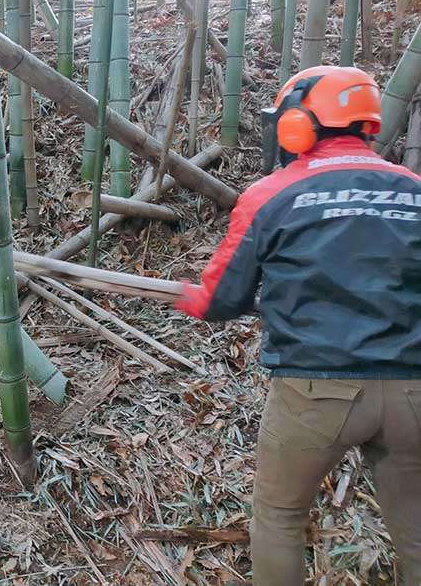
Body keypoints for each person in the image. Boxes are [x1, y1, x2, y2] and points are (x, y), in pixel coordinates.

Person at [175, 65, 421, 585]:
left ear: (299, 123)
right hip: (412, 392)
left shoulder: (272, 194)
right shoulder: (415, 191)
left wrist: (189, 297)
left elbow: (223, 299)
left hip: (315, 394)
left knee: (281, 517)